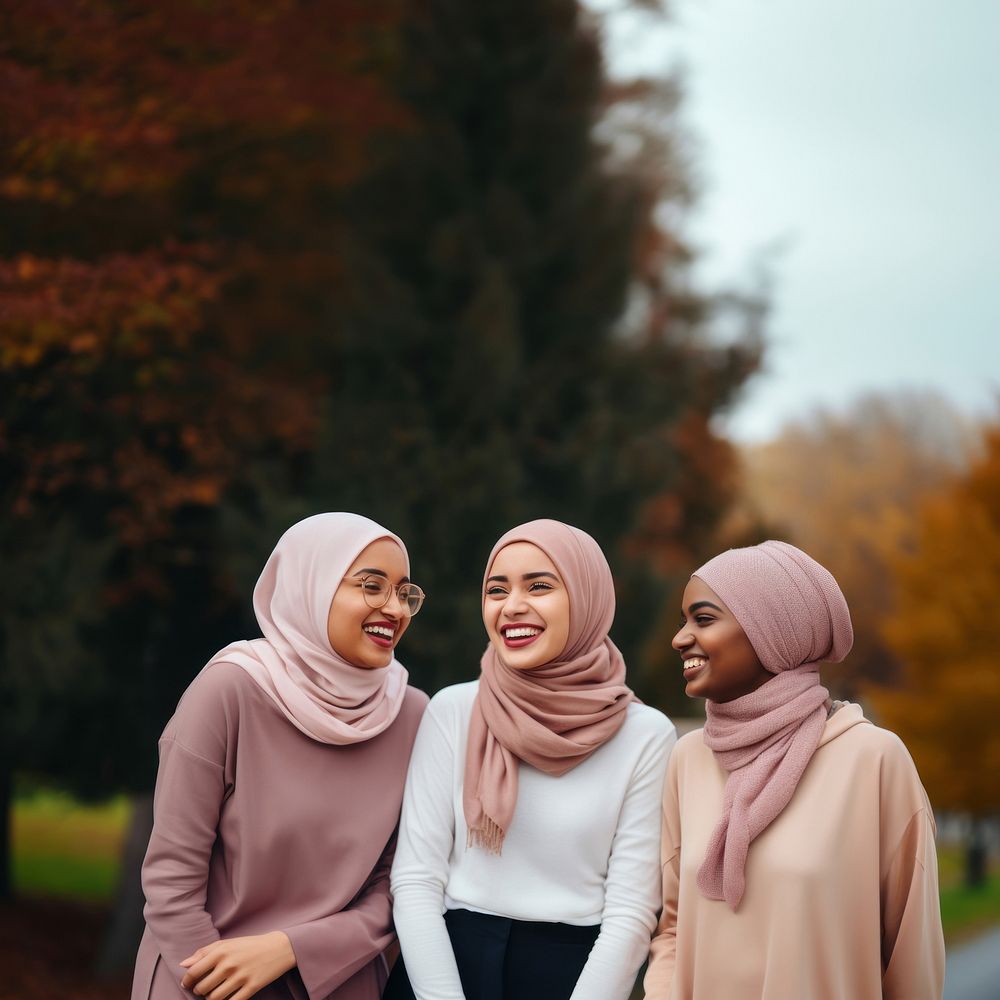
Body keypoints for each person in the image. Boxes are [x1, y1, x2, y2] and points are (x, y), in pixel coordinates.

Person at [130, 512, 429, 1000]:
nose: (394, 608)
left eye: (404, 592)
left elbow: (398, 882)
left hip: (339, 983)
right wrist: (217, 982)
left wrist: (293, 948)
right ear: (310, 583)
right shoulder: (231, 690)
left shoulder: (412, 714)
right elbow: (171, 882)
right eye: (371, 586)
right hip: (201, 977)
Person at [385, 519, 677, 1000]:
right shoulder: (453, 710)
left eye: (539, 586)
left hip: (574, 975)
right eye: (496, 590)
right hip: (445, 968)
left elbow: (631, 911)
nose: (512, 606)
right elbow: (416, 880)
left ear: (586, 598)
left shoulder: (645, 736)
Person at [643, 540, 945, 1000]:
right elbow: (672, 927)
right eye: (683, 620)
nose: (680, 638)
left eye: (702, 619)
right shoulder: (688, 760)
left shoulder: (874, 761)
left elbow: (912, 959)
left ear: (772, 632)